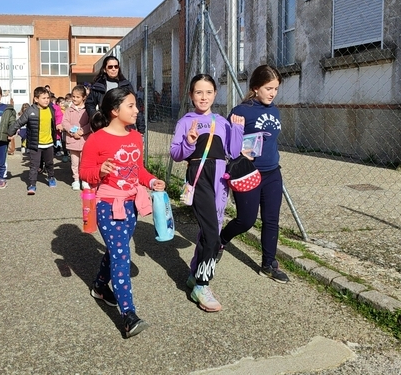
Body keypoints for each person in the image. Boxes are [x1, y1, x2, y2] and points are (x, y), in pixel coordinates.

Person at [79, 87, 166, 338]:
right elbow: (84, 173)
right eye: (131, 106)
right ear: (114, 111)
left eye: (136, 105)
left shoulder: (135, 137)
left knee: (117, 249)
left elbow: (138, 169)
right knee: (121, 254)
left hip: (131, 205)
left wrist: (151, 182)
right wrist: (100, 171)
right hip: (108, 205)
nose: (137, 110)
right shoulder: (96, 139)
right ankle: (128, 315)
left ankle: (98, 286)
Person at [170, 74, 245, 312]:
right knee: (213, 235)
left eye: (208, 92)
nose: (204, 97)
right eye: (198, 92)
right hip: (198, 175)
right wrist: (190, 142)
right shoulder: (185, 121)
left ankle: (194, 274)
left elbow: (233, 152)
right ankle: (202, 284)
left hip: (220, 178)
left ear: (215, 94)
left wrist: (238, 129)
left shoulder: (222, 121)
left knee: (210, 230)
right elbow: (175, 153)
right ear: (191, 95)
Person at [218, 65, 289, 283]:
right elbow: (227, 145)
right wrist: (239, 151)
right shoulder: (241, 112)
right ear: (255, 88)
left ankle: (268, 264)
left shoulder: (274, 110)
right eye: (269, 88)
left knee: (271, 220)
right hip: (248, 173)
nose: (272, 93)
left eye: (276, 89)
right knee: (246, 221)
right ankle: (221, 239)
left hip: (272, 173)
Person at [7, 87, 56, 195]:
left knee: (50, 163)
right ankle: (32, 185)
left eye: (48, 98)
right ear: (36, 99)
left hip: (49, 143)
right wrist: (10, 132)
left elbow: (54, 125)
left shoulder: (51, 109)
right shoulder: (30, 110)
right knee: (35, 165)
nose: (47, 100)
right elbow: (19, 122)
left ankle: (51, 177)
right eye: (44, 98)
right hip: (35, 144)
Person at [85, 55, 144, 133]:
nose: (113, 69)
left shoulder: (126, 85)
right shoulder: (98, 86)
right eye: (110, 67)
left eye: (116, 66)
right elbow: (89, 104)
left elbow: (135, 105)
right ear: (105, 69)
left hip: (125, 126)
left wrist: (141, 128)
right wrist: (96, 118)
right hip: (105, 126)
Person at [61, 85, 91, 190]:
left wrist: (81, 131)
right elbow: (65, 122)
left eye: (77, 97)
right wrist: (72, 132)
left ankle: (85, 180)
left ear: (83, 97)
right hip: (72, 140)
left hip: (84, 141)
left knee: (85, 163)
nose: (74, 99)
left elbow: (91, 123)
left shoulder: (88, 109)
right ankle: (76, 180)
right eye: (73, 96)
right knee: (74, 163)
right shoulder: (69, 110)